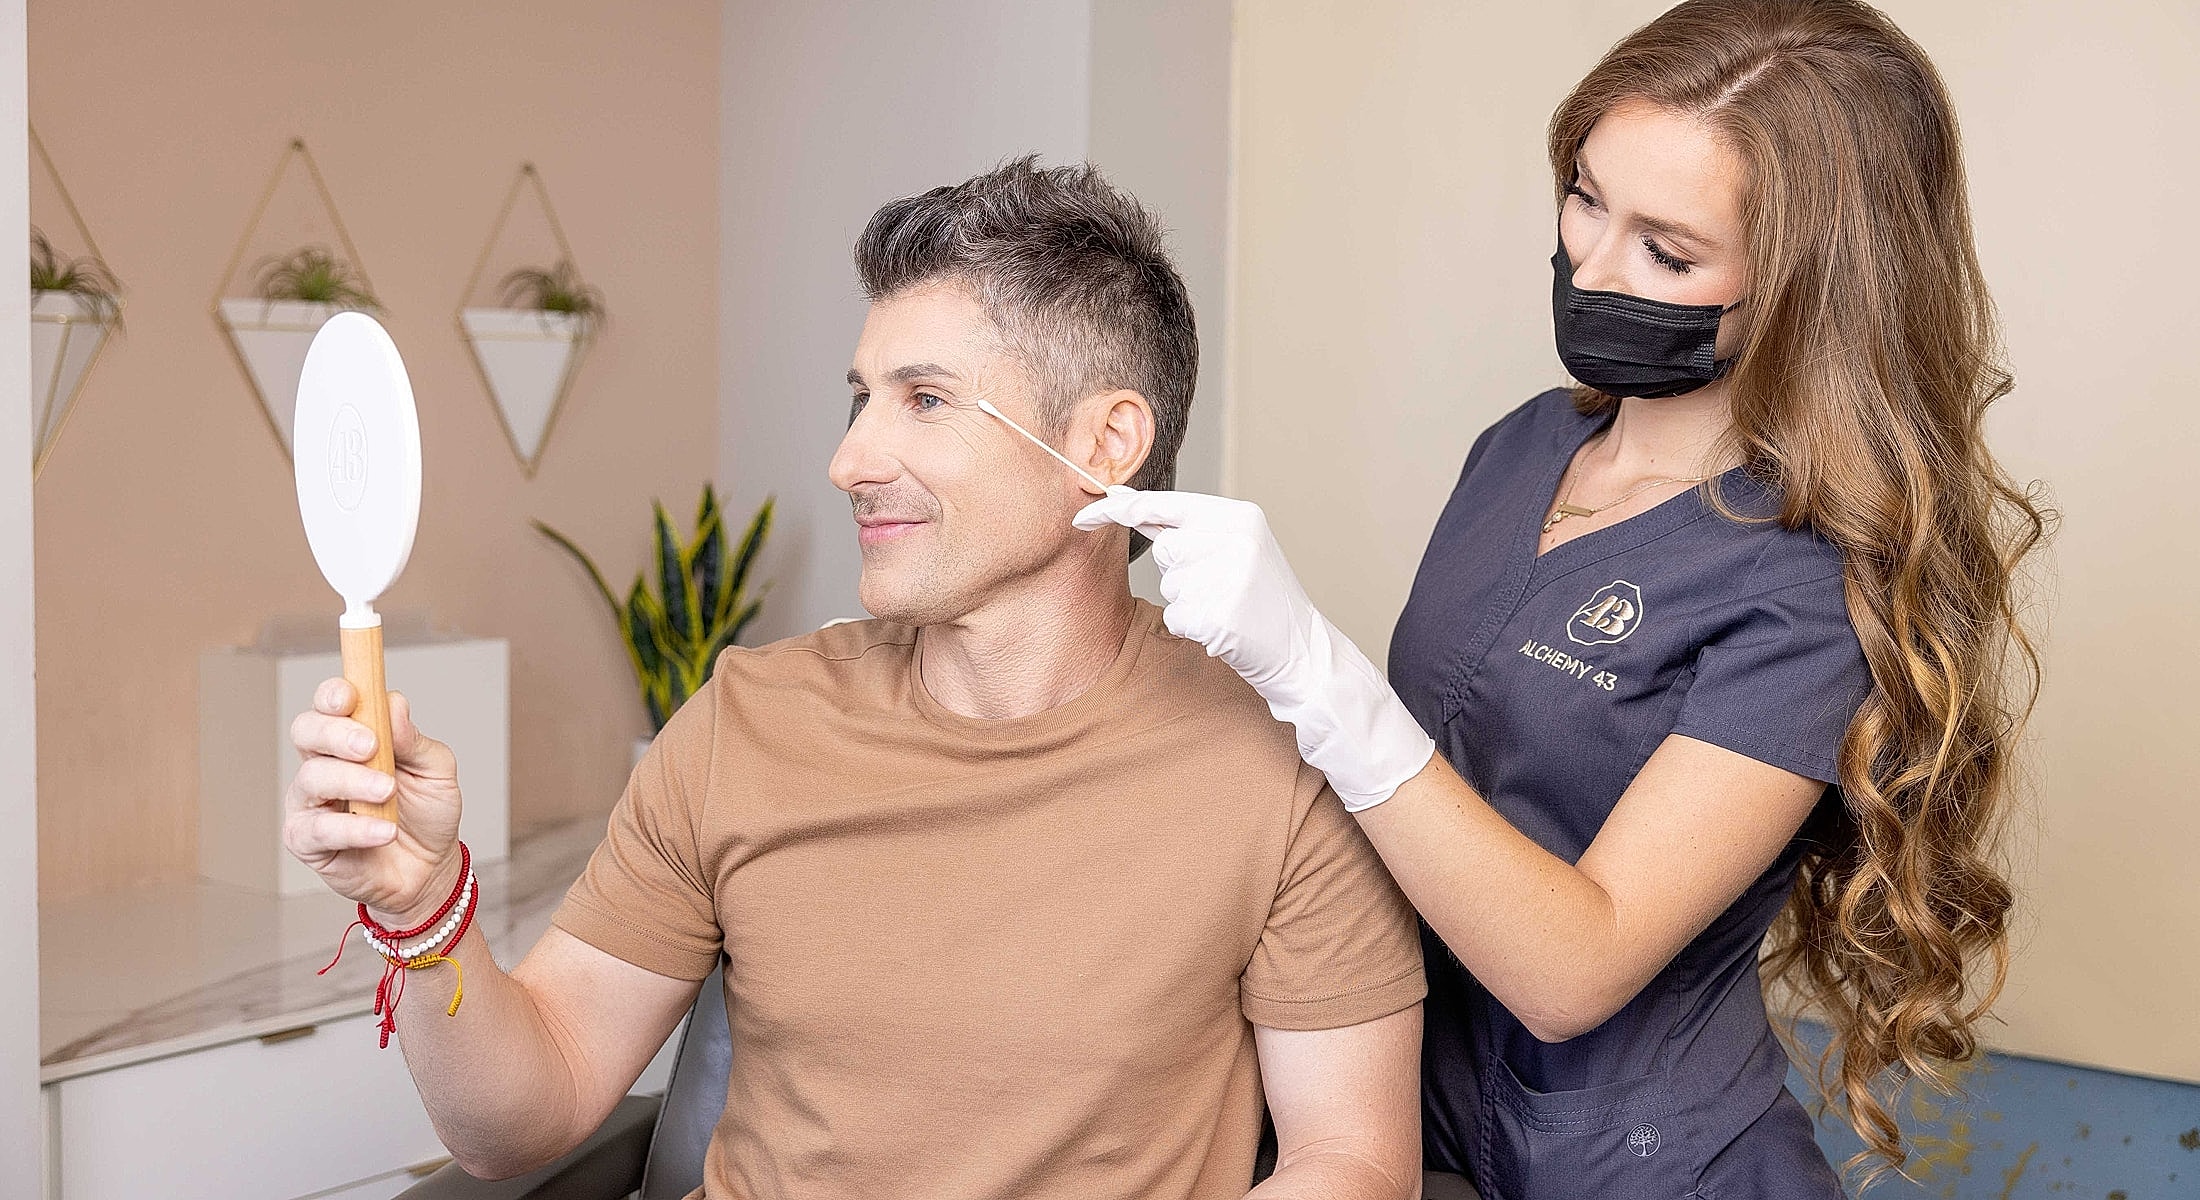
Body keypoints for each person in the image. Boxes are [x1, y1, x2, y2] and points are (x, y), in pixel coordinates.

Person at [284, 159, 1430, 1200]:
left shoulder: (1278, 764)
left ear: (1104, 444)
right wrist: (418, 907)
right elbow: (516, 1126)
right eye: (859, 397)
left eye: (923, 401)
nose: (848, 461)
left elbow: (1354, 1161)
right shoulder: (747, 720)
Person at [1077, 2, 2046, 1197]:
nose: (1589, 266)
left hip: (1650, 1163)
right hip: (1422, 1122)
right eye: (1585, 197)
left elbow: (1570, 967)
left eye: (1665, 251)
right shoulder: (1522, 448)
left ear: (1805, 284)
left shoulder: (1809, 581)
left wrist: (1314, 675)